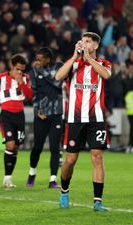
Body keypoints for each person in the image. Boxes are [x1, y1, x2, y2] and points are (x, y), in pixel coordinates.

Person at [56, 32, 111, 212]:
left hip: (96, 119)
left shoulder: (103, 63)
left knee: (97, 157)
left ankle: (98, 201)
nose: (83, 43)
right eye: (82, 40)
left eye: (88, 41)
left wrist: (89, 58)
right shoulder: (74, 64)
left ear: (95, 46)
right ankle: (64, 191)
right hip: (75, 119)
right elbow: (58, 76)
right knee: (70, 160)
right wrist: (75, 56)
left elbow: (106, 75)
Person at [0, 54, 33, 188]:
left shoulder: (25, 78)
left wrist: (21, 83)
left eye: (22, 69)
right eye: (17, 69)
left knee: (16, 148)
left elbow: (29, 97)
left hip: (20, 116)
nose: (19, 72)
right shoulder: (1, 78)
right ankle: (7, 178)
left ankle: (9, 177)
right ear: (11, 66)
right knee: (10, 145)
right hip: (6, 116)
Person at [25, 47, 63, 189]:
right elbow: (33, 92)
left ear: (48, 59)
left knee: (55, 147)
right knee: (37, 147)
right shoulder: (33, 71)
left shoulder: (59, 67)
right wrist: (36, 110)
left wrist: (41, 71)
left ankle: (53, 180)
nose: (38, 62)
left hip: (56, 113)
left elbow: (57, 82)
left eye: (40, 59)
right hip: (41, 115)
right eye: (37, 59)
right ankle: (32, 172)